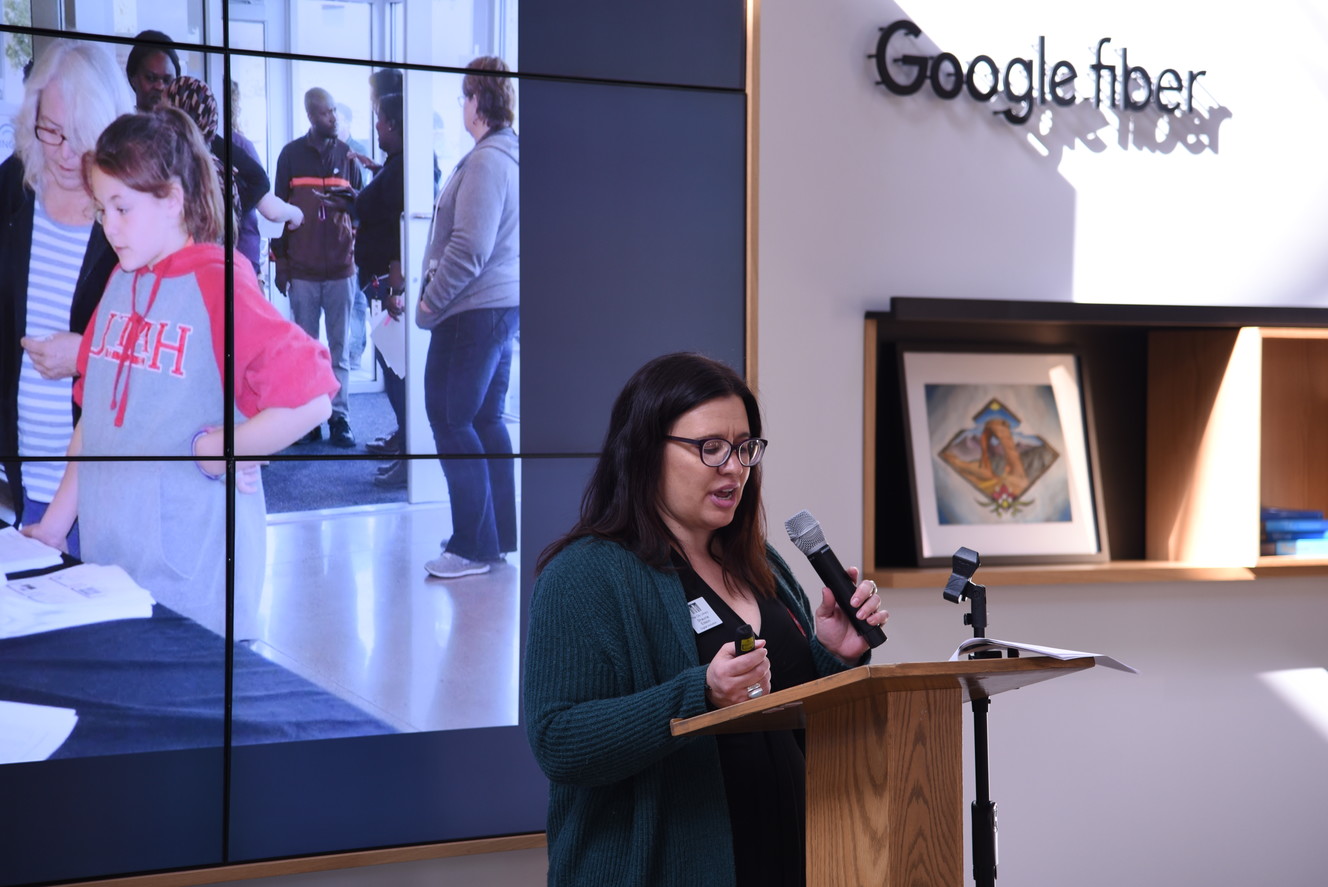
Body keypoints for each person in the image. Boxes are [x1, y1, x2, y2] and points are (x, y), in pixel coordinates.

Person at [524, 352, 890, 887]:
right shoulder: (586, 574)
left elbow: (790, 716)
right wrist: (701, 694)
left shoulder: (762, 563)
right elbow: (558, 740)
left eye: (744, 448)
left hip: (798, 860)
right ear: (645, 451)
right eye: (709, 448)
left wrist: (831, 654)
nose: (734, 467)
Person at [21, 108, 338, 637]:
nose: (109, 226)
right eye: (102, 209)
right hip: (113, 567)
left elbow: (314, 397)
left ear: (172, 200)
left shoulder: (219, 283)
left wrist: (227, 449)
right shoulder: (120, 283)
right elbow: (94, 423)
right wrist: (53, 527)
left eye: (122, 208)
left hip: (195, 582)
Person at [0, 39, 133, 555]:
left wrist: (84, 354)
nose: (65, 153)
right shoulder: (11, 190)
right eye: (51, 130)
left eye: (83, 138)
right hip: (27, 485)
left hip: (109, 486)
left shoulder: (131, 214)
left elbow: (165, 345)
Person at [416, 56, 519, 578]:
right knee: (483, 420)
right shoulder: (509, 155)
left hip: (471, 312)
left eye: (463, 96)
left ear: (479, 100)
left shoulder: (486, 161)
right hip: (498, 310)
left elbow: (469, 247)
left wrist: (430, 303)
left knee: (452, 421)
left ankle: (472, 547)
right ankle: (494, 537)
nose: (461, 105)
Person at [273, 87, 363, 448]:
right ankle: (309, 419)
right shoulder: (291, 156)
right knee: (306, 352)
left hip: (342, 270)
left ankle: (339, 418)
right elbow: (276, 213)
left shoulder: (348, 155)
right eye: (326, 113)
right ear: (311, 116)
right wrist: (281, 265)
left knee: (340, 350)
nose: (334, 119)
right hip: (304, 271)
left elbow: (362, 210)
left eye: (335, 112)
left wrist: (349, 213)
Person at [159, 75, 303, 270]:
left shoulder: (163, 162)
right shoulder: (219, 159)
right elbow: (268, 203)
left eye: (165, 107)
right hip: (226, 266)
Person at [353, 92, 407, 485]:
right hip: (381, 283)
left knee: (396, 372)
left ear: (394, 125)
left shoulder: (405, 170)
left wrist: (393, 283)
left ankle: (409, 456)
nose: (377, 128)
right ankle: (404, 442)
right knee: (391, 370)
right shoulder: (394, 166)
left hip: (390, 286)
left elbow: (396, 227)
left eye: (380, 121)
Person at [125, 29, 180, 112]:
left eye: (167, 80)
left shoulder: (186, 124)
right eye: (151, 78)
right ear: (133, 78)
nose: (160, 87)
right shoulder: (122, 124)